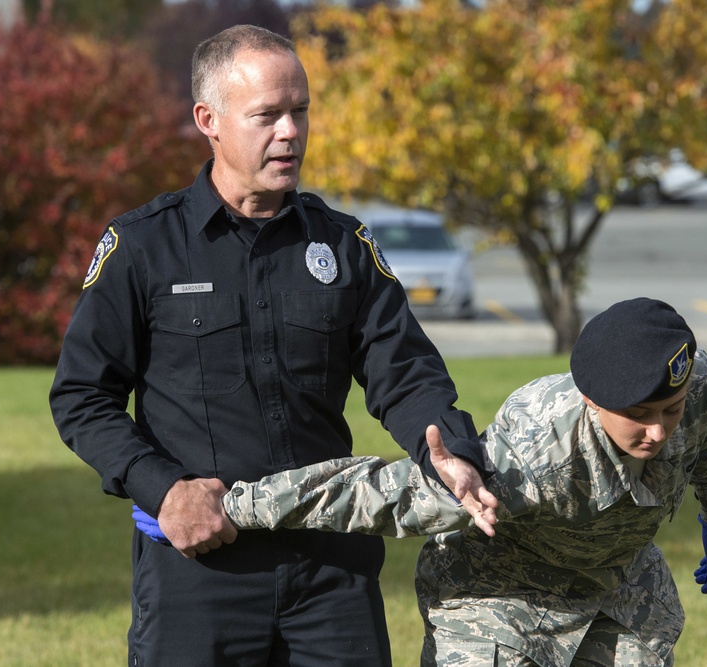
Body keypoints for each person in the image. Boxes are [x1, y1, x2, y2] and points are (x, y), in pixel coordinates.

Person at [49, 24, 496, 666]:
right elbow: (81, 398)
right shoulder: (143, 247)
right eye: (268, 115)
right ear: (210, 119)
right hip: (200, 570)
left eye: (300, 112)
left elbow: (405, 373)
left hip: (331, 566)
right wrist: (166, 491)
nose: (290, 132)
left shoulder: (343, 246)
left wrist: (448, 451)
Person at [221, 297, 707, 666]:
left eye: (669, 411)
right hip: (496, 598)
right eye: (639, 414)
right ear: (592, 400)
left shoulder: (696, 386)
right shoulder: (530, 459)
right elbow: (382, 494)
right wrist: (235, 507)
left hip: (613, 588)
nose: (657, 431)